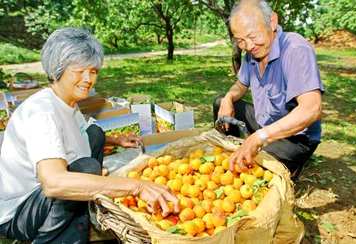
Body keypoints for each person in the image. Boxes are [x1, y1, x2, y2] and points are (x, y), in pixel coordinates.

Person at [0, 27, 179, 243]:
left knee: (95, 133)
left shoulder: (67, 103)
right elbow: (54, 182)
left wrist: (116, 140)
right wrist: (137, 186)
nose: (88, 79)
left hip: (40, 196)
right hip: (19, 213)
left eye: (93, 71)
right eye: (79, 71)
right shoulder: (42, 113)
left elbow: (83, 133)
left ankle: (87, 194)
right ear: (58, 69)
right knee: (86, 168)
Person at [214, 0, 324, 178]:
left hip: (296, 137)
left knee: (254, 173)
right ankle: (237, 149)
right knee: (219, 102)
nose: (248, 46)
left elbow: (311, 109)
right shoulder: (253, 53)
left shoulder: (295, 49)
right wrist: (227, 99)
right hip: (264, 124)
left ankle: (290, 164)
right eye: (241, 41)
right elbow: (240, 85)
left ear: (272, 22)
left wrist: (260, 137)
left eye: (253, 36)